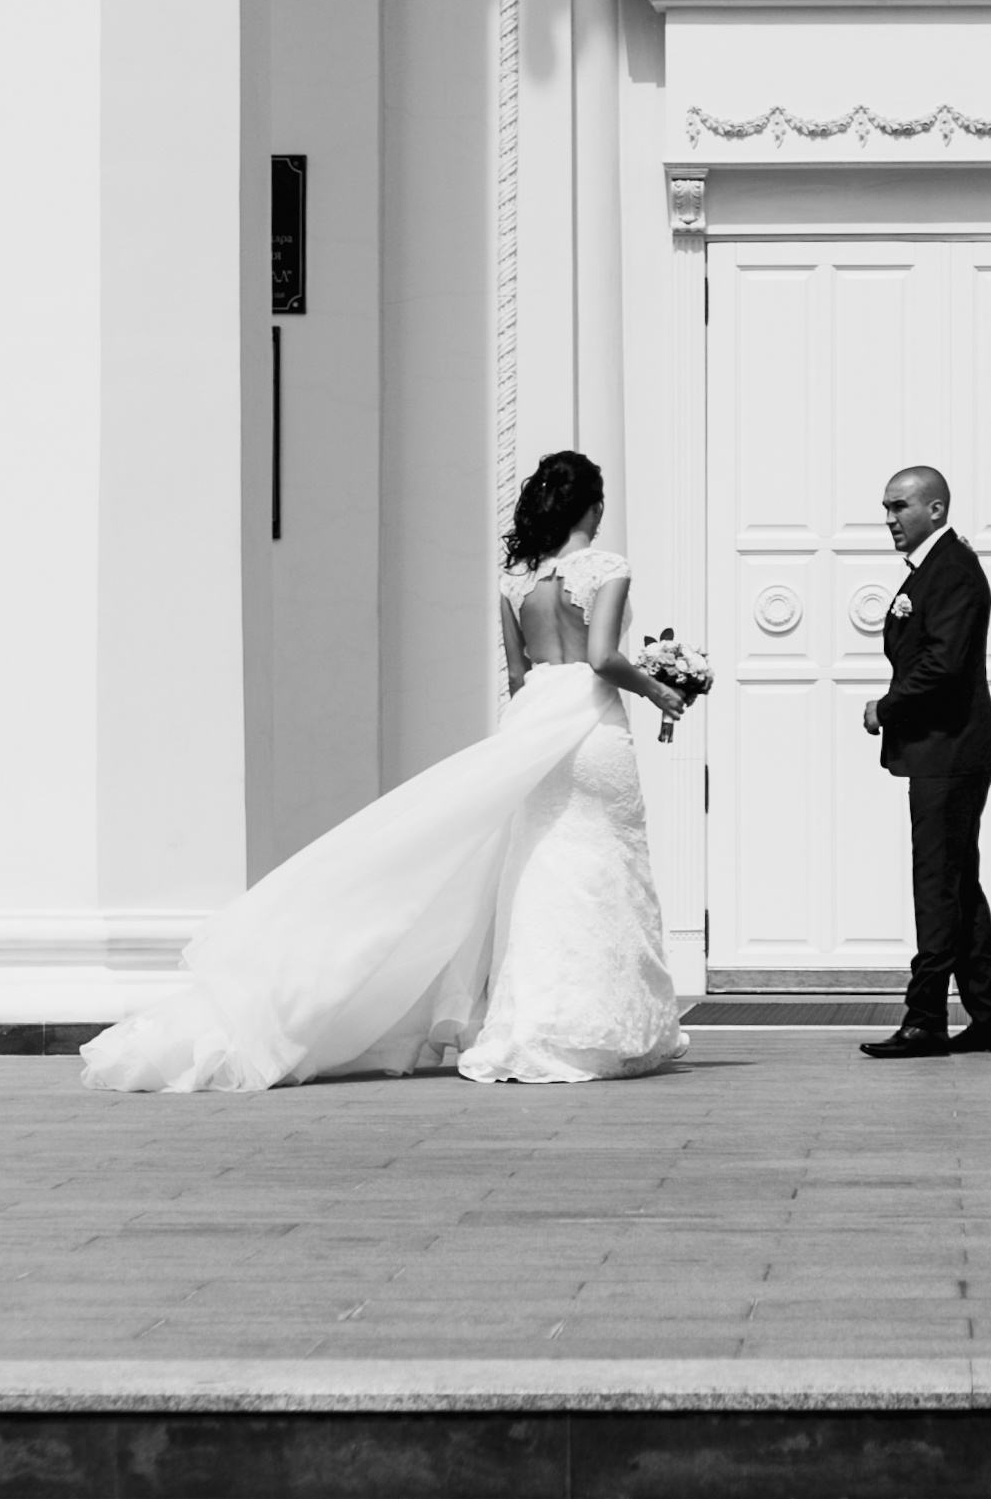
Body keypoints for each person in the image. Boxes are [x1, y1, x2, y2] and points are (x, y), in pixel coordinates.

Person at [81, 453, 689, 1093]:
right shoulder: (607, 567)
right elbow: (601, 658)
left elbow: (517, 677)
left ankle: (534, 1026)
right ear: (593, 507)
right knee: (605, 862)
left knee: (539, 867)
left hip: (535, 722)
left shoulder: (515, 582)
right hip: (592, 729)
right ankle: (613, 1028)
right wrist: (658, 691)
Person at [858, 464, 991, 1061]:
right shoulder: (932, 569)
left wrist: (887, 706)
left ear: (935, 509)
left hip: (951, 748)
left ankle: (925, 1018)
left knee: (936, 884)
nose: (889, 519)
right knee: (957, 883)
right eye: (886, 507)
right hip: (945, 748)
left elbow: (943, 665)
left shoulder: (951, 569)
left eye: (899, 506)